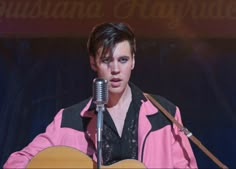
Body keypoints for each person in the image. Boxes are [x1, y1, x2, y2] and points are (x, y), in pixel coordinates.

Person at [4, 22, 198, 168]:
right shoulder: (69, 119)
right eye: (106, 60)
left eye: (122, 60)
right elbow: (17, 163)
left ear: (133, 62)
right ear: (93, 63)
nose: (115, 69)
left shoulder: (164, 114)